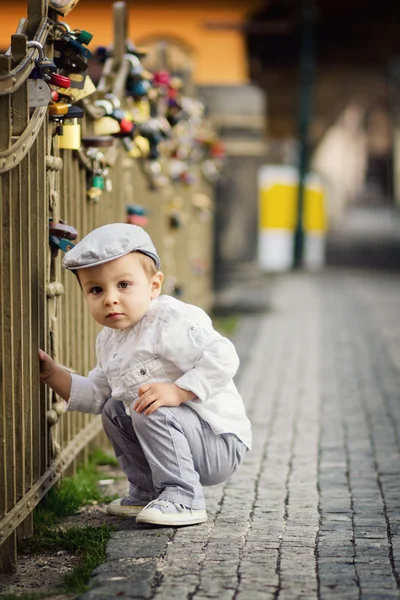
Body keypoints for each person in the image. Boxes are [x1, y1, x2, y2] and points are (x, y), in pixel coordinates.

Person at [39, 223, 252, 527]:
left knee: (150, 403)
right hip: (179, 434)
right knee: (115, 409)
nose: (110, 298)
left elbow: (223, 356)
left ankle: (184, 497)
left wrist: (179, 392)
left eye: (123, 285)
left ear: (154, 286)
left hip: (218, 440)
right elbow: (99, 394)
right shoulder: (109, 340)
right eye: (96, 290)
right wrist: (52, 374)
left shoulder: (169, 320)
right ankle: (147, 491)